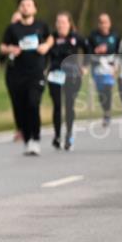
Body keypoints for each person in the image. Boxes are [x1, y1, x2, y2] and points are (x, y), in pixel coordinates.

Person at [0, 0, 53, 155]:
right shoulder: (12, 28)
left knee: (33, 103)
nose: (26, 7)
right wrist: (11, 50)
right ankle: (27, 139)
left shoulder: (41, 26)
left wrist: (46, 46)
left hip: (36, 73)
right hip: (17, 74)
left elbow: (50, 38)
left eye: (29, 5)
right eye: (23, 5)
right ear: (19, 9)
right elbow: (2, 47)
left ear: (34, 9)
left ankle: (35, 139)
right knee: (21, 108)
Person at [46, 12, 89, 151]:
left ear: (69, 23)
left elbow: (88, 49)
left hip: (72, 75)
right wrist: (44, 68)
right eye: (58, 22)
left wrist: (85, 66)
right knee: (57, 105)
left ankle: (69, 135)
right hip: (55, 75)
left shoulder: (76, 37)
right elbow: (44, 52)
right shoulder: (51, 38)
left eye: (63, 22)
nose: (60, 25)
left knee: (69, 106)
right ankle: (57, 135)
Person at [88, 13, 118, 127]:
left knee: (108, 89)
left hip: (109, 67)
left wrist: (116, 65)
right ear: (98, 24)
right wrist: (95, 51)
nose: (103, 24)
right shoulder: (93, 36)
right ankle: (105, 110)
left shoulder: (115, 36)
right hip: (97, 68)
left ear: (109, 23)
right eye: (101, 22)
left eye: (105, 22)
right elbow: (87, 51)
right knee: (101, 94)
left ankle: (107, 114)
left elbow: (120, 51)